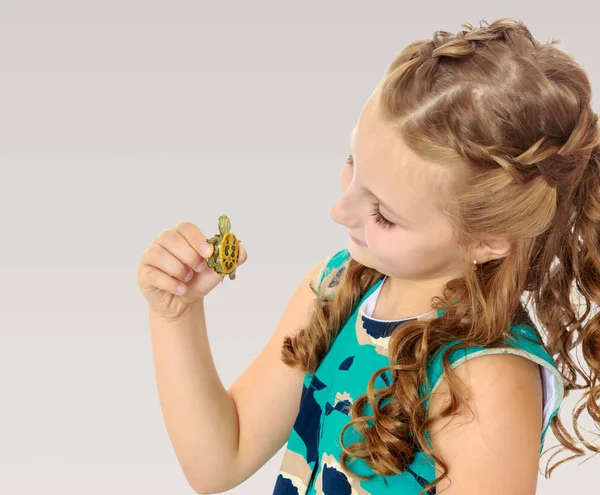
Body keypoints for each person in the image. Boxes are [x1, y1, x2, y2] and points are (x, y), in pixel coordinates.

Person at [138, 17, 600, 495]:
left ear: (487, 237)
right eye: (353, 163)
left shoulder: (483, 378)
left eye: (383, 213)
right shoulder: (337, 287)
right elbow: (220, 460)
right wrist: (176, 314)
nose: (339, 211)